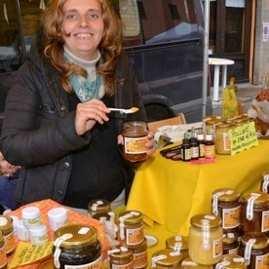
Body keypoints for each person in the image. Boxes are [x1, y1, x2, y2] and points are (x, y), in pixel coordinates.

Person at [1, 0, 154, 209]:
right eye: (71, 16)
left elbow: (136, 122)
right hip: (59, 212)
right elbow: (13, 147)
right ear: (58, 25)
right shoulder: (33, 74)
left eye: (93, 15)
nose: (84, 23)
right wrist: (71, 127)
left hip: (117, 202)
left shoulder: (120, 67)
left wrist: (139, 146)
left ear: (105, 23)